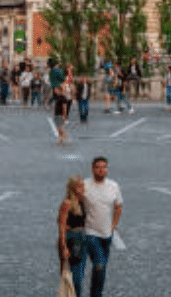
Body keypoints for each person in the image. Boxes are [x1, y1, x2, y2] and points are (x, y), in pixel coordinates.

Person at [72, 157, 123, 297]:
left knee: (102, 268)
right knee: (99, 265)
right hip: (90, 233)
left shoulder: (114, 185)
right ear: (92, 169)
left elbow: (118, 206)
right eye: (98, 167)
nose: (101, 169)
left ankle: (95, 293)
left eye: (104, 167)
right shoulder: (85, 185)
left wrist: (113, 225)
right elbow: (74, 203)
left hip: (107, 235)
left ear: (107, 169)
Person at [56, 176, 86, 284]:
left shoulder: (81, 202)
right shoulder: (67, 203)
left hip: (81, 239)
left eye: (83, 185)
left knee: (79, 275)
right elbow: (61, 226)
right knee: (70, 277)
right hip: (71, 239)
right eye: (80, 186)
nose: (83, 188)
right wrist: (64, 247)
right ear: (72, 188)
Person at [53, 78, 70, 146]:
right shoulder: (57, 97)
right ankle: (61, 139)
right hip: (56, 114)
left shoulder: (63, 97)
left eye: (56, 90)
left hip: (60, 114)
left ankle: (64, 138)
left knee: (60, 129)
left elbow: (64, 107)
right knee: (58, 129)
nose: (55, 91)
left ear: (59, 90)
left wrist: (64, 115)